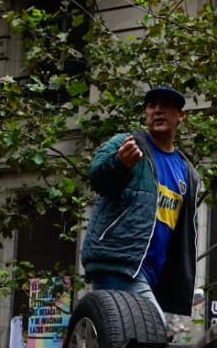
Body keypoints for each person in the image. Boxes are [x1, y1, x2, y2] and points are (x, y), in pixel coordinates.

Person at [81, 86, 200, 317]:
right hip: (119, 262)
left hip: (154, 274)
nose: (158, 110)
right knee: (153, 330)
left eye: (166, 105)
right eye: (152, 105)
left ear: (181, 115)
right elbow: (96, 177)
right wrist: (119, 164)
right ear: (145, 113)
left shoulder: (186, 171)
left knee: (128, 343)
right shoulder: (127, 143)